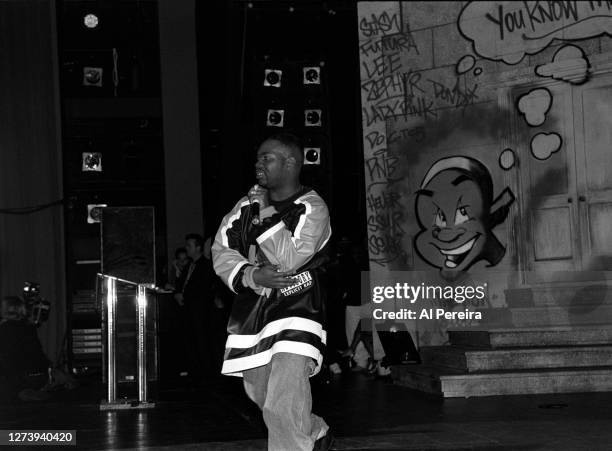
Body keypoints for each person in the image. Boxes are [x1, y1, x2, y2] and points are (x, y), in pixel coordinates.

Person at [212, 133, 334, 451]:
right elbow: (222, 249)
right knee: (262, 394)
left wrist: (264, 212)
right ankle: (314, 431)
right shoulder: (245, 206)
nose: (258, 164)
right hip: (253, 312)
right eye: (257, 158)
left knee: (284, 399)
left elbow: (290, 258)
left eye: (266, 158)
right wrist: (252, 274)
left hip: (298, 308)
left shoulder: (312, 206)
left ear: (290, 162)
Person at [174, 233, 216, 383]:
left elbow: (202, 289)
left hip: (199, 309)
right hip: (188, 308)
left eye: (189, 246)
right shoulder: (189, 265)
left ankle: (205, 373)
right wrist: (178, 293)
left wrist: (186, 296)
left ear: (198, 247)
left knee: (201, 339)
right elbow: (181, 283)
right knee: (189, 338)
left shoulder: (205, 265)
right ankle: (194, 369)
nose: (187, 249)